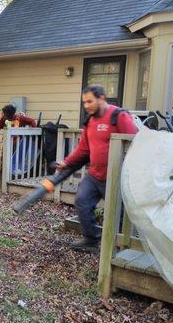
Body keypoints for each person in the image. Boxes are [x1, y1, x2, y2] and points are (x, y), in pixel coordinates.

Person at [56, 85, 138, 251]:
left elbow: (136, 143)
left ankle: (122, 246)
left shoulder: (118, 116)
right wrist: (67, 162)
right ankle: (91, 239)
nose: (86, 106)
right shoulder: (90, 122)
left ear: (101, 98)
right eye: (84, 102)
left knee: (120, 214)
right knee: (82, 201)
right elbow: (83, 149)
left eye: (89, 101)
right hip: (95, 175)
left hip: (117, 176)